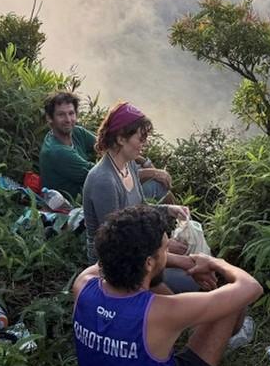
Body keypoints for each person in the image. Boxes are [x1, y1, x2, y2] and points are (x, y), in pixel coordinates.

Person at [72, 205, 262, 366]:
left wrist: (184, 263)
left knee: (149, 287)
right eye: (165, 248)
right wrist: (215, 262)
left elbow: (111, 264)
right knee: (230, 301)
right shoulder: (160, 312)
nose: (167, 252)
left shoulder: (82, 286)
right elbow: (250, 287)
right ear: (149, 262)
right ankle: (230, 336)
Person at [81, 101, 194, 293]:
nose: (144, 144)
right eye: (140, 138)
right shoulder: (104, 181)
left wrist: (169, 210)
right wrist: (169, 256)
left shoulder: (129, 166)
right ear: (120, 138)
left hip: (137, 254)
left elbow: (139, 209)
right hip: (117, 269)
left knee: (188, 259)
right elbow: (118, 243)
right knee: (190, 281)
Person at [40, 92, 173, 201]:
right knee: (156, 185)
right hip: (80, 202)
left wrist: (144, 162)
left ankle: (178, 224)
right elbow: (105, 176)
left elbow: (106, 145)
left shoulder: (76, 132)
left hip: (97, 189)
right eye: (61, 115)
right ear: (50, 118)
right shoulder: (57, 151)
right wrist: (153, 173)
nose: (68, 119)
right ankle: (182, 225)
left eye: (71, 113)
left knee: (137, 168)